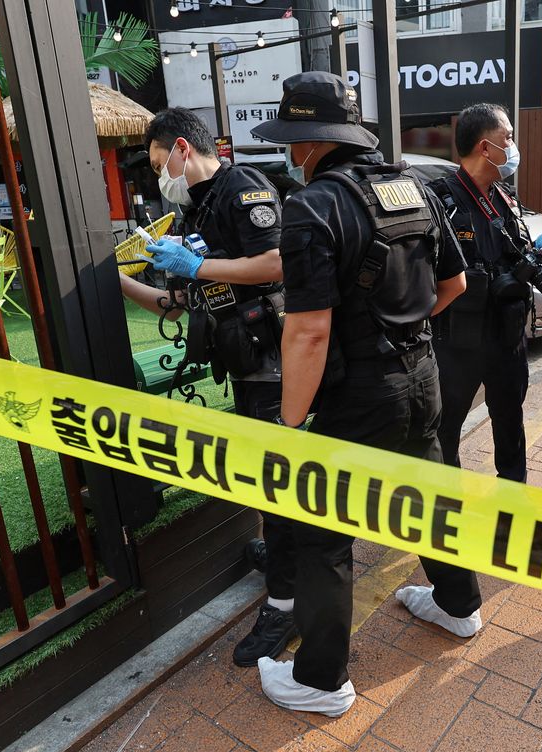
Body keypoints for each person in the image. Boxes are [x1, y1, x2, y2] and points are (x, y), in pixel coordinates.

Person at [250, 72, 482, 717]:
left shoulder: (313, 206)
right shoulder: (415, 188)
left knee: (325, 533)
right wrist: (404, 332)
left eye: (293, 140)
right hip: (423, 377)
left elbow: (308, 332)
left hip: (358, 394)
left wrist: (289, 427)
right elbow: (455, 285)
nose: (291, 153)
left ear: (308, 142)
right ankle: (459, 605)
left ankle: (321, 680)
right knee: (430, 495)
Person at [119, 108, 299, 668]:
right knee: (266, 476)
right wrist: (117, 281)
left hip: (271, 360)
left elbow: (275, 263)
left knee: (277, 480)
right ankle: (284, 558)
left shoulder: (241, 187)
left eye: (156, 165)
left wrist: (197, 270)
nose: (158, 178)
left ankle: (288, 601)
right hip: (244, 362)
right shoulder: (200, 207)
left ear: (179, 149)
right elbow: (185, 300)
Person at [429, 104, 542, 484]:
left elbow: (514, 250)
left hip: (507, 336)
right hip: (458, 342)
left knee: (510, 421)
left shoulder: (503, 195)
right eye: (507, 138)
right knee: (446, 429)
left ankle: (512, 498)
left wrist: (533, 253)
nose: (513, 146)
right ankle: (448, 506)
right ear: (484, 148)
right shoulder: (440, 199)